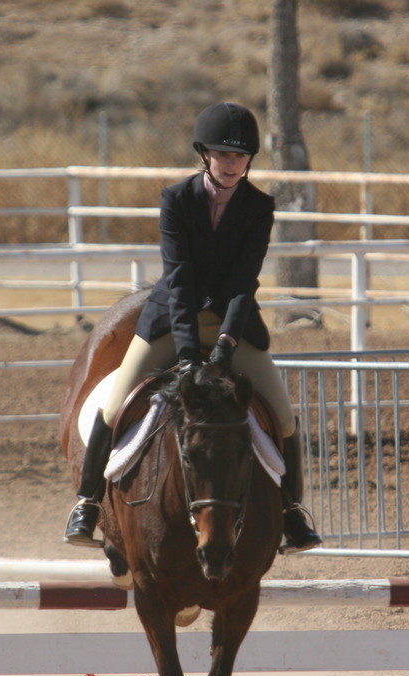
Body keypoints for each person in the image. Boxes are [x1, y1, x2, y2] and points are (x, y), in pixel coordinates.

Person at [64, 101, 322, 554]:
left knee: (282, 416)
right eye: (223, 155)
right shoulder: (176, 200)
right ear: (205, 155)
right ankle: (87, 503)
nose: (231, 164)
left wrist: (224, 345)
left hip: (233, 325)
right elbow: (179, 281)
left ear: (249, 161)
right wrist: (187, 355)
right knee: (112, 405)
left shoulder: (259, 207)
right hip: (169, 322)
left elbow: (245, 282)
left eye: (239, 157)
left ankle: (292, 512)